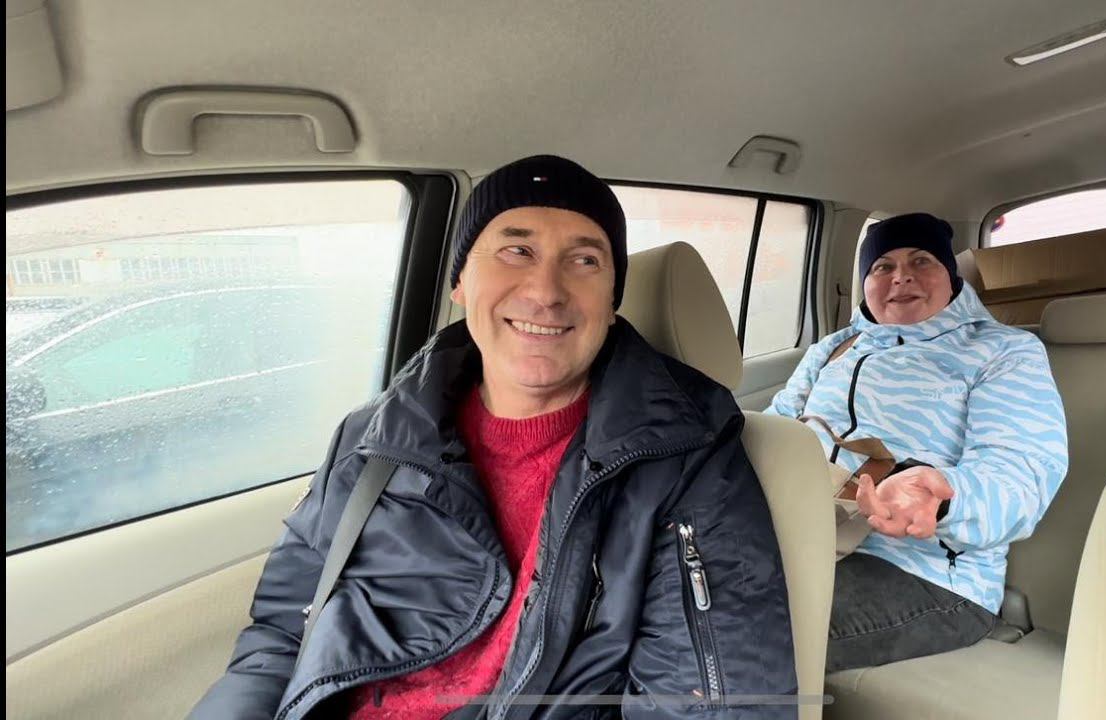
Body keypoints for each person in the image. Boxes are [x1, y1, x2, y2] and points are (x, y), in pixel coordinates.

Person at [191, 155, 797, 719]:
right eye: (516, 250)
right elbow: (283, 634)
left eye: (585, 260)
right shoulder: (373, 438)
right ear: (460, 281)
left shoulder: (685, 454)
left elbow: (711, 698)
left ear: (613, 299)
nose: (546, 291)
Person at [766, 212, 1068, 671]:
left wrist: (941, 499)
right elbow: (777, 428)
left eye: (921, 260)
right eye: (882, 266)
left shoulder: (1004, 351)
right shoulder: (833, 348)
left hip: (928, 573)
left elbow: (1019, 473)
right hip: (808, 537)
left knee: (745, 632)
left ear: (951, 275)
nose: (901, 276)